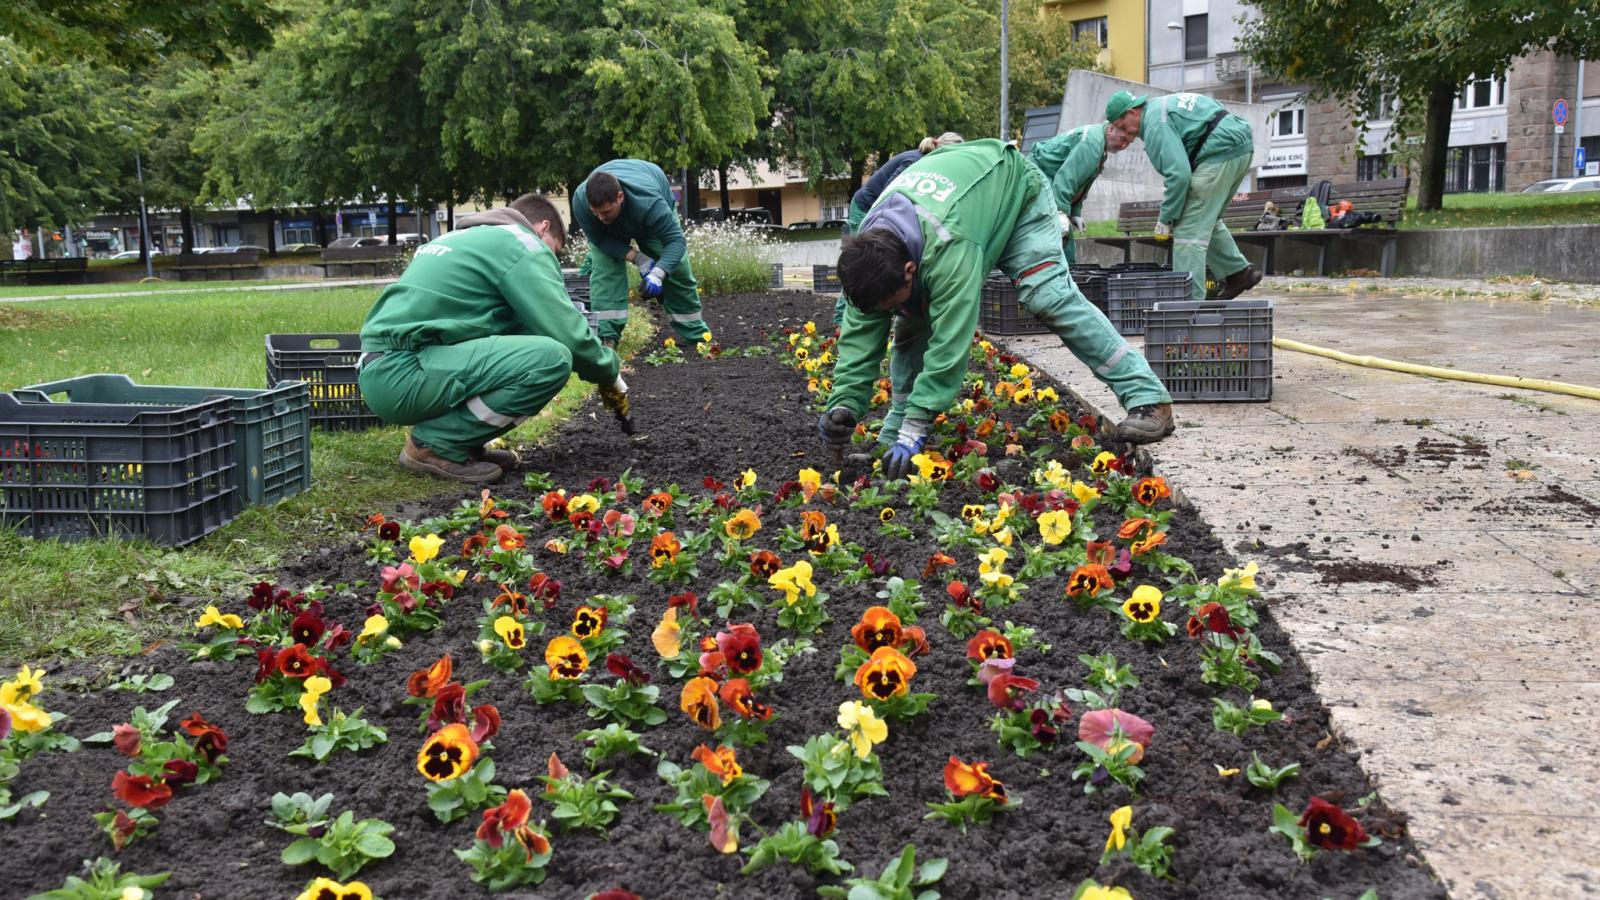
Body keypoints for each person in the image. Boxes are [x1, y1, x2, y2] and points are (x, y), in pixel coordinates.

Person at [818, 139, 1175, 477]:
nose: (887, 312)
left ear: (910, 269)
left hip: (1016, 191)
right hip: (971, 207)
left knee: (1047, 296)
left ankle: (1148, 397)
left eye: (889, 304)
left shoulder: (948, 247)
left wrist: (917, 428)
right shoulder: (867, 251)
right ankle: (892, 439)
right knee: (912, 320)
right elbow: (860, 336)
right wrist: (844, 403)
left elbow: (949, 345)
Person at [357, 193, 628, 483]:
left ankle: (462, 443)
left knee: (528, 347)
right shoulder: (521, 244)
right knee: (551, 360)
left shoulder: (466, 239)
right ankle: (434, 444)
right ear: (541, 228)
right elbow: (568, 338)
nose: (552, 259)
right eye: (554, 249)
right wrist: (610, 373)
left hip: (386, 369)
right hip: (402, 371)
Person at [1103, 90, 1262, 301]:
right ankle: (1239, 274)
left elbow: (1178, 175)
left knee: (1187, 230)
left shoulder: (1154, 125)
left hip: (1218, 151)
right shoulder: (1162, 106)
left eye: (1124, 127)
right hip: (1239, 146)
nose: (1128, 135)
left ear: (1132, 112)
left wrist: (1166, 218)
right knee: (1205, 218)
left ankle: (1188, 305)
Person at [832, 133, 965, 326]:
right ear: (946, 152)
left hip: (888, 212)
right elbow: (889, 195)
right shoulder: (915, 162)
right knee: (865, 268)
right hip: (866, 208)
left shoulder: (927, 164)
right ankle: (842, 320)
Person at [572, 160, 708, 347]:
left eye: (606, 212)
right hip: (611, 233)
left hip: (648, 208)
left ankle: (697, 336)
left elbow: (675, 242)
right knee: (605, 272)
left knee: (676, 270)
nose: (601, 218)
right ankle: (607, 339)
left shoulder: (650, 203)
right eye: (596, 213)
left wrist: (658, 273)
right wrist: (639, 258)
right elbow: (601, 240)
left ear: (620, 197)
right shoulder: (581, 201)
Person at [1026, 122, 1108, 265]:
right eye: (1124, 136)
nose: (1127, 141)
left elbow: (1082, 182)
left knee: (1061, 234)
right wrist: (1062, 212)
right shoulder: (1092, 143)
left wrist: (1076, 212)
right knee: (1061, 233)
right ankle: (1065, 274)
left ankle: (1065, 274)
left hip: (1051, 180)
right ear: (1112, 129)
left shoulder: (1101, 151)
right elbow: (1065, 181)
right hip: (1040, 175)